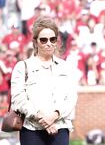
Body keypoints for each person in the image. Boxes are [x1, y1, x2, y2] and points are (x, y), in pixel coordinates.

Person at [10, 17, 78, 145]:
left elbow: (71, 97)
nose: (49, 43)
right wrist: (42, 118)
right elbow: (18, 99)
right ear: (35, 42)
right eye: (43, 40)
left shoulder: (66, 67)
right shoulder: (22, 67)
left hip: (60, 128)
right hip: (32, 129)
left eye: (53, 39)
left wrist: (55, 115)